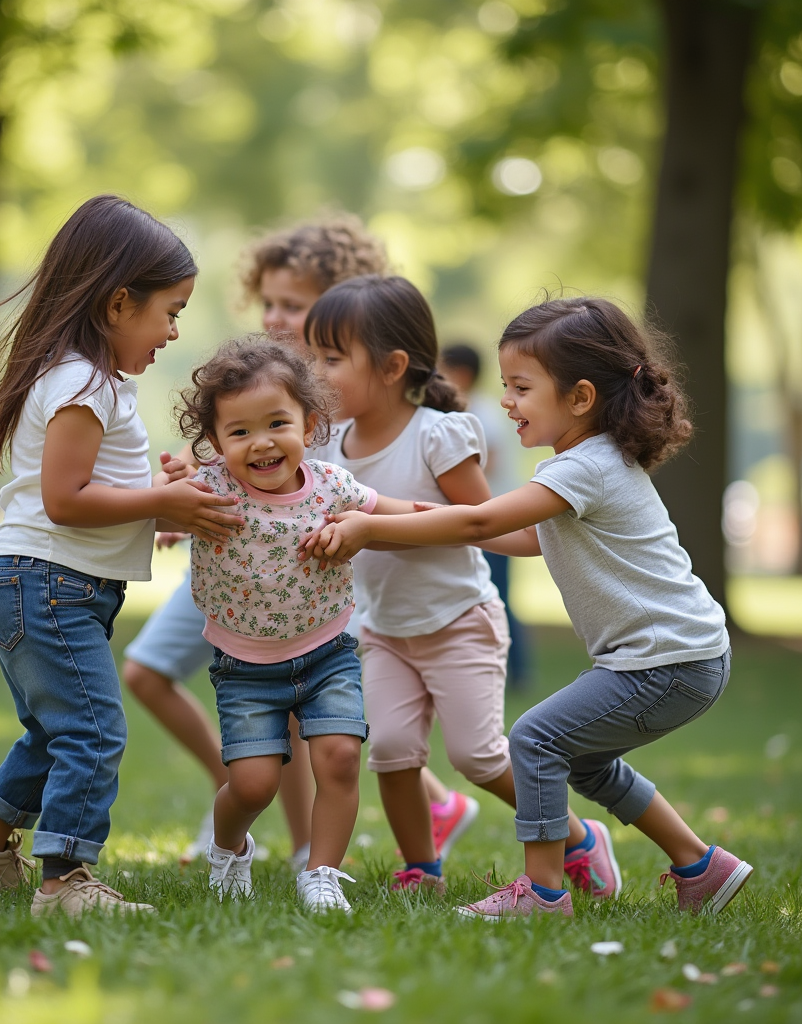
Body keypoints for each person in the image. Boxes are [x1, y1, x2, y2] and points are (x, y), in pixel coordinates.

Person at [306, 297, 752, 919]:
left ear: (579, 398)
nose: (505, 401)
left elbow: (484, 517)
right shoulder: (580, 466)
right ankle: (702, 867)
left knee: (535, 738)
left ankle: (542, 893)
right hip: (678, 655)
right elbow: (507, 537)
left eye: (520, 387)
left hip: (668, 659)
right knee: (588, 765)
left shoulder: (585, 468)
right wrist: (377, 515)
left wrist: (369, 523)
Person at [122, 216, 459, 864]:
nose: (276, 317)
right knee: (159, 674)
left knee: (317, 714)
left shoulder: (335, 393)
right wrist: (184, 492)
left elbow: (359, 489)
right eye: (269, 302)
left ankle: (311, 847)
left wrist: (452, 524)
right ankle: (242, 798)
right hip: (236, 559)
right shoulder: (256, 381)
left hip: (298, 573)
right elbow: (217, 454)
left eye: (293, 305)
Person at [0, 195, 243, 918]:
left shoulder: (90, 380)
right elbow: (66, 500)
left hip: (45, 584)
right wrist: (159, 503)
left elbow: (88, 492)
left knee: (56, 728)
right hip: (45, 583)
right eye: (168, 311)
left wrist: (156, 497)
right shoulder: (82, 382)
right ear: (116, 303)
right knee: (93, 729)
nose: (173, 331)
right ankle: (65, 881)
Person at [307, 277, 600, 895]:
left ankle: (577, 837)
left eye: (331, 358)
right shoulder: (327, 446)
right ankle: (422, 867)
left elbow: (478, 526)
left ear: (390, 366)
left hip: (459, 620)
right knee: (389, 750)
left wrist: (376, 528)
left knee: (478, 757)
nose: (316, 371)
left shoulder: (438, 435)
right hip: (384, 629)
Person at [177, 339, 421, 912]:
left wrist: (469, 522)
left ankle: (322, 873)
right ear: (215, 442)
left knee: (338, 756)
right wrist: (168, 515)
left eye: (277, 423)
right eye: (238, 432)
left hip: (326, 651)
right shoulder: (210, 490)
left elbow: (393, 513)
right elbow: (160, 508)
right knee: (254, 785)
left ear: (309, 425)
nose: (260, 443)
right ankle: (230, 846)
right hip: (244, 666)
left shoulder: (333, 486)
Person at [440, 343, 533, 690]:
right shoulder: (471, 410)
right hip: (487, 513)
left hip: (494, 514)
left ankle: (516, 671)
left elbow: (488, 460)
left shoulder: (479, 413)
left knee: (498, 594)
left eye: (444, 368)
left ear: (461, 373)